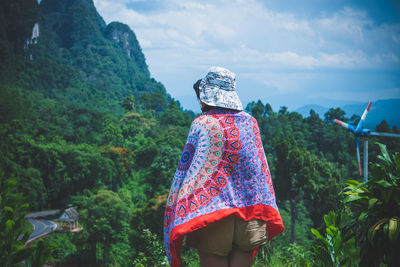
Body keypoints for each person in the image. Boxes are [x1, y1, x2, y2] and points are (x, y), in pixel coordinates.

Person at [164, 67, 284, 267]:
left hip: (213, 212)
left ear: (207, 94)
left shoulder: (203, 123)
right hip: (251, 209)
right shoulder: (250, 123)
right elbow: (258, 169)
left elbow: (188, 170)